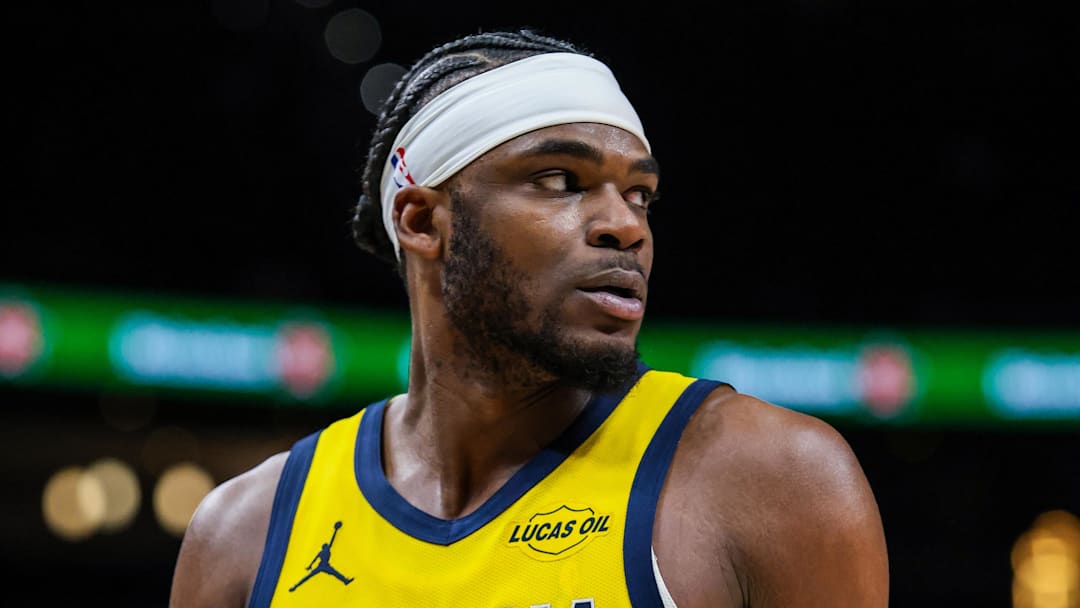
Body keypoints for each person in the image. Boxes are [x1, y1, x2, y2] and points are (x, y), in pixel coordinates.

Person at [169, 28, 889, 607]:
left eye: (640, 195)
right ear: (422, 220)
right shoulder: (247, 535)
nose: (624, 227)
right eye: (561, 181)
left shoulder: (771, 480)